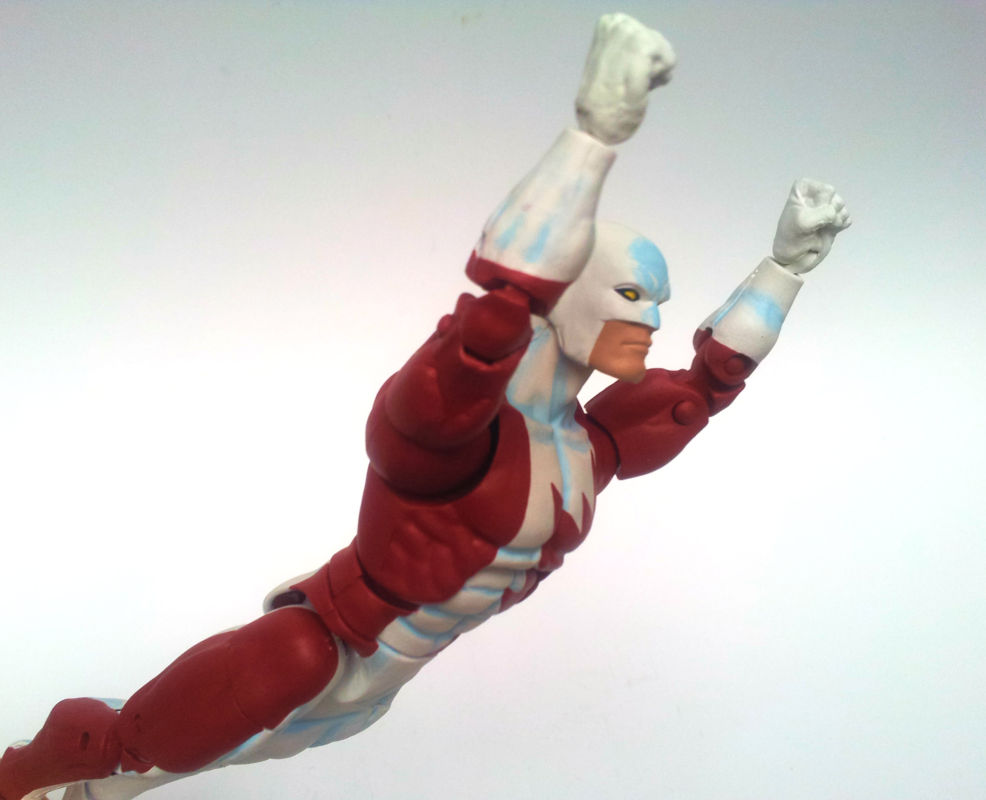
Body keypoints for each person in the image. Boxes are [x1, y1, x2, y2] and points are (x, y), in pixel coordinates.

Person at [0, 13, 850, 800]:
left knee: (223, 754)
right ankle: (35, 767)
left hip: (384, 679)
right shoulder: (460, 433)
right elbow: (490, 318)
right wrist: (591, 139)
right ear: (566, 292)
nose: (651, 320)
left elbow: (702, 391)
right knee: (151, 739)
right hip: (325, 645)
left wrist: (785, 270)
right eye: (630, 294)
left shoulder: (583, 448)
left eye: (658, 302)